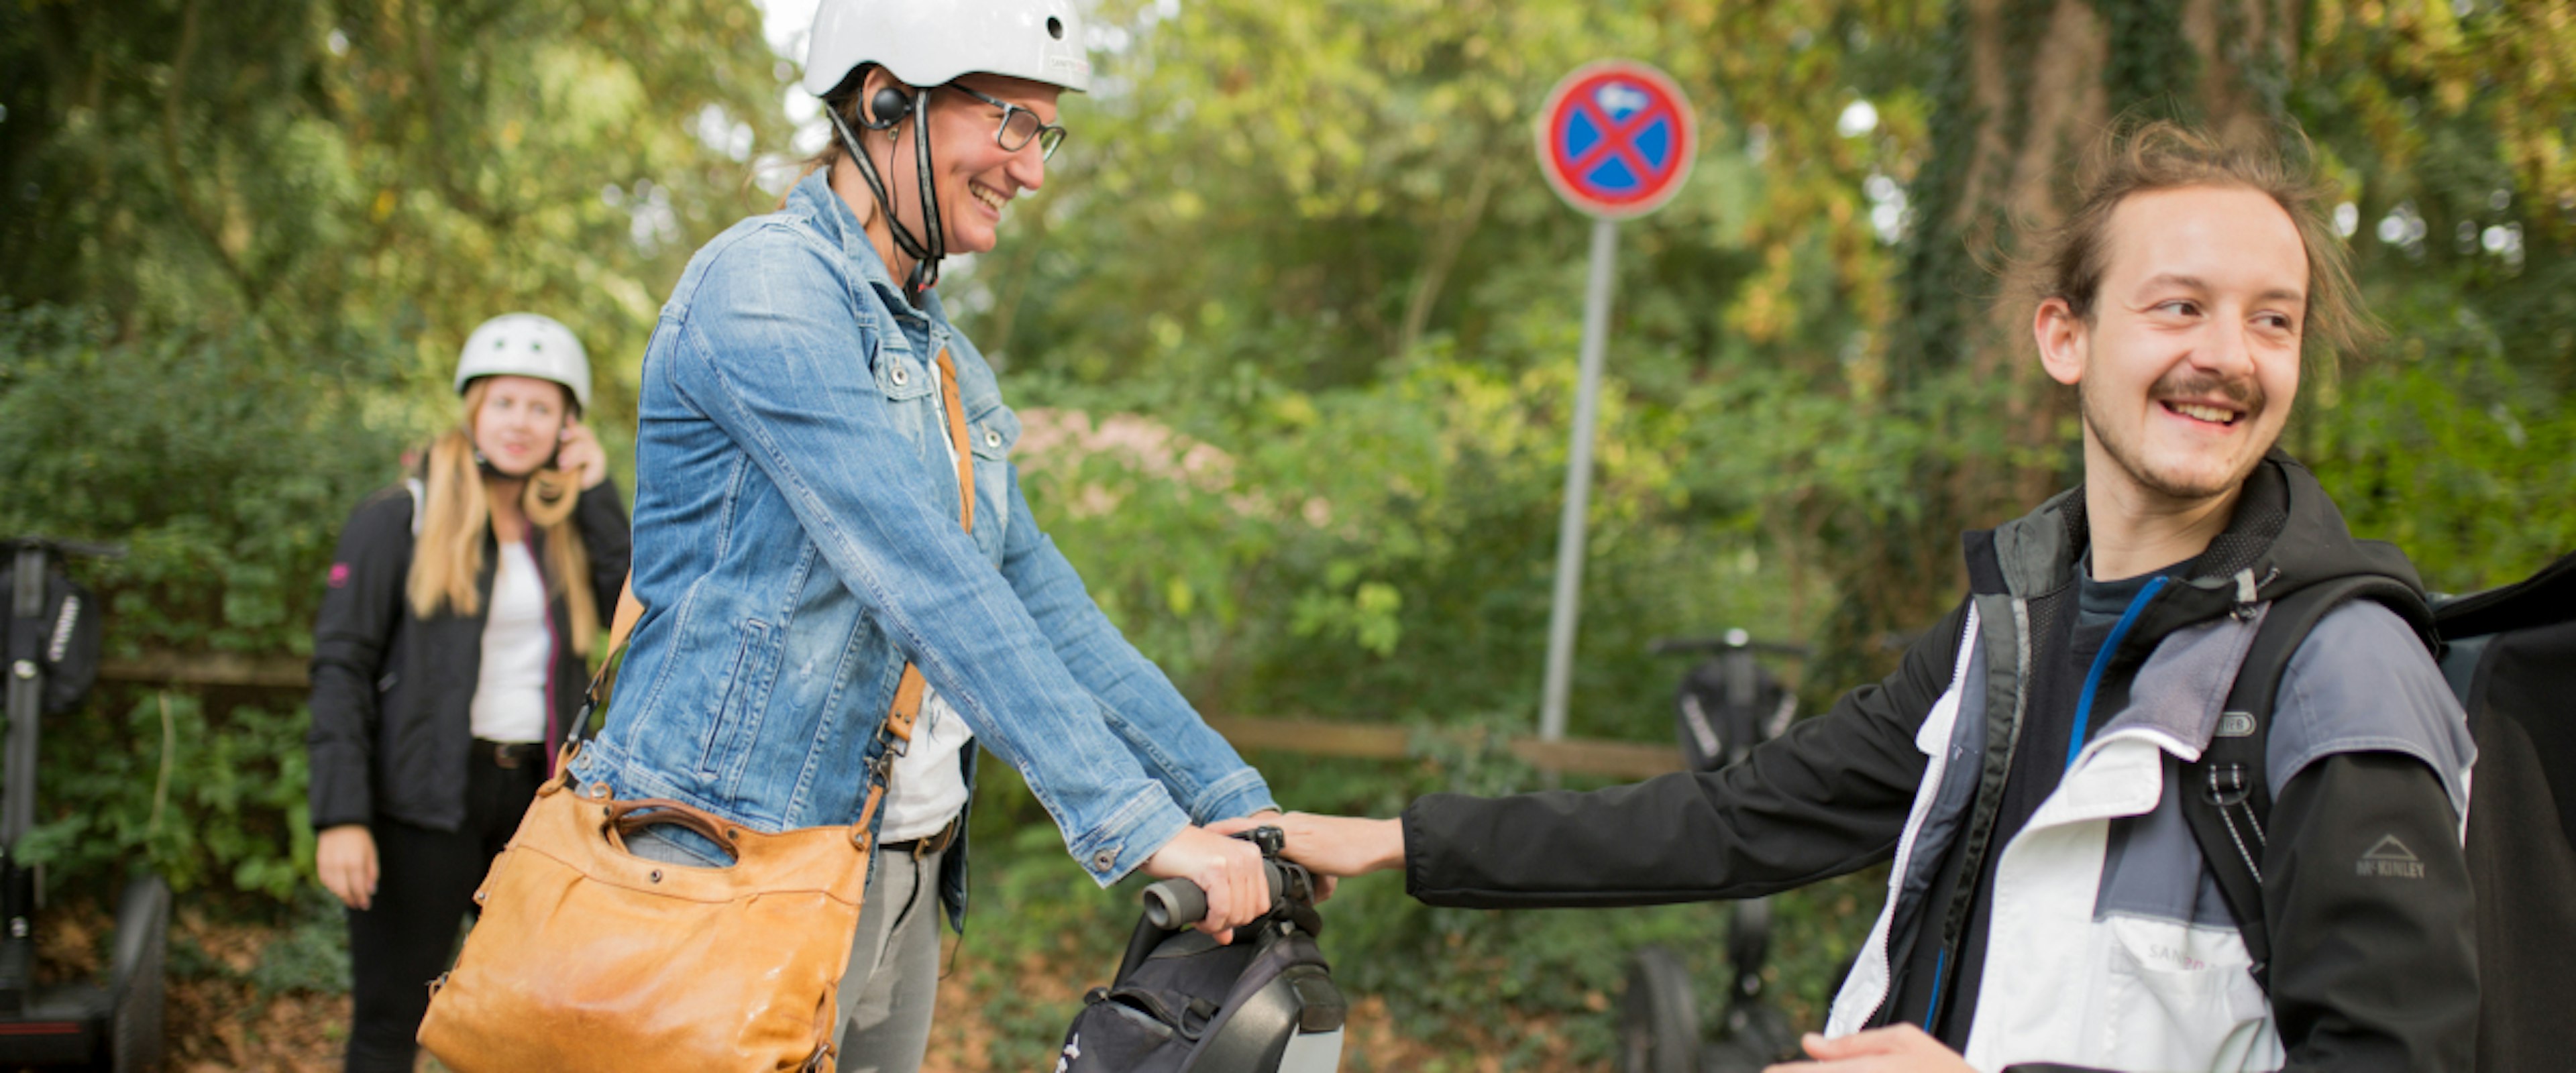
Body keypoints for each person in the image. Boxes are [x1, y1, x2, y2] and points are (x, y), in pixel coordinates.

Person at [1236, 121, 2477, 1072]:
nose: (2228, 357)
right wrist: (1402, 841)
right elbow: (1738, 821)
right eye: (2180, 307)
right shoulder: (2011, 628)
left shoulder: (2342, 669)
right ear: (2065, 337)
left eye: (2274, 321)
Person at [562, 1, 1285, 1068]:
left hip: (901, 862)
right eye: (1011, 121)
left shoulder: (941, 356)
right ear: (885, 99)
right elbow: (927, 578)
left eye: (1044, 133)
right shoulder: (763, 290)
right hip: (729, 857)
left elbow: (1047, 610)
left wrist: (1233, 804)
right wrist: (1138, 825)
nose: (1030, 169)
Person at [305, 312, 632, 1072]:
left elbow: (634, 613)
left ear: (568, 424)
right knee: (392, 1027)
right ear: (474, 408)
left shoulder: (562, 528)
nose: (521, 422)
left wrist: (597, 490)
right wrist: (340, 815)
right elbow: (342, 668)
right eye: (504, 402)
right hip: (421, 805)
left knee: (524, 1031)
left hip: (532, 807)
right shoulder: (400, 517)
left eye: (542, 407)